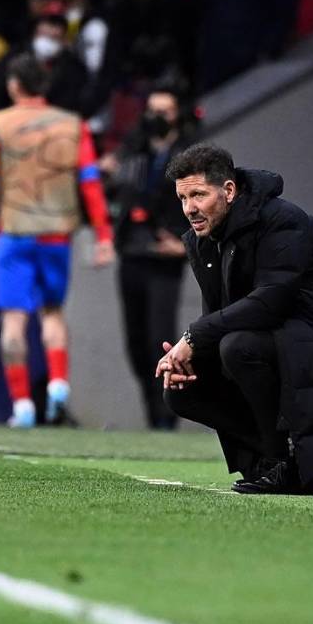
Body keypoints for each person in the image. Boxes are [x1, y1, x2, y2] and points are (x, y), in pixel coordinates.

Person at [157, 144, 313, 493]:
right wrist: (191, 353)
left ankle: (286, 467)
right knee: (182, 389)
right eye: (183, 198)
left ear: (229, 191)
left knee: (237, 347)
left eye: (198, 195)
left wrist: (194, 337)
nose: (190, 209)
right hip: (278, 339)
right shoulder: (204, 239)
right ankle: (264, 464)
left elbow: (271, 301)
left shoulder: (281, 220)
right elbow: (219, 314)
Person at [0, 55, 114, 427]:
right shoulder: (73, 125)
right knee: (52, 313)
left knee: (13, 322)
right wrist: (103, 235)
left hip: (14, 231)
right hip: (56, 233)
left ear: (14, 85)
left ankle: (22, 406)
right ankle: (59, 387)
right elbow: (90, 181)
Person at [101, 82, 193, 429]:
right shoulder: (133, 152)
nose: (156, 118)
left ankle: (166, 416)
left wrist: (184, 244)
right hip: (133, 253)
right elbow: (116, 192)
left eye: (164, 111)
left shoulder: (188, 155)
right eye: (152, 110)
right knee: (136, 342)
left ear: (177, 115)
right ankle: (153, 414)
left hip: (165, 259)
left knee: (161, 335)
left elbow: (203, 207)